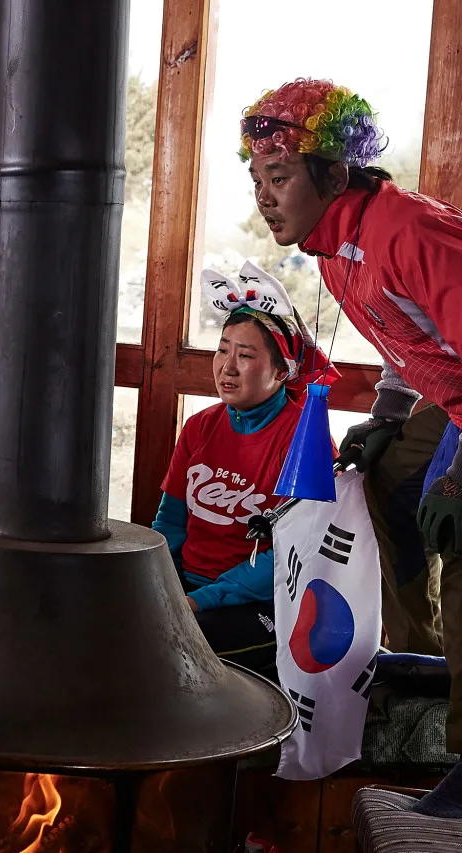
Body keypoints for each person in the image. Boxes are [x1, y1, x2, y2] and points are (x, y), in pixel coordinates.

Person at [241, 77, 462, 815]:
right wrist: (390, 413)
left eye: (279, 177)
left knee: (460, 534)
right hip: (452, 400)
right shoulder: (336, 251)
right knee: (388, 473)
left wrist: (459, 469)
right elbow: (409, 343)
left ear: (334, 174)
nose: (265, 197)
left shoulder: (406, 230)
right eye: (257, 180)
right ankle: (430, 662)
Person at [154, 262, 335, 674]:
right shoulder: (201, 425)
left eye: (246, 355)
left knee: (179, 651)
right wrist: (157, 583)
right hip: (188, 587)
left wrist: (204, 599)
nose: (227, 367)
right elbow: (170, 522)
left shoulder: (307, 443)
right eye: (222, 349)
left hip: (260, 602)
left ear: (281, 371)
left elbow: (291, 557)